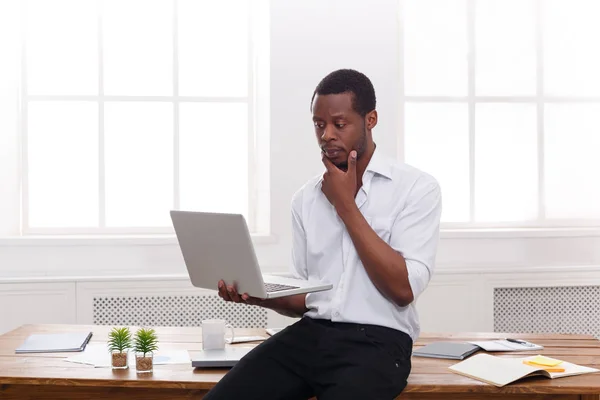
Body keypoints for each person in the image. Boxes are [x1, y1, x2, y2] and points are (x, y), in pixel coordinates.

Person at [205, 69, 442, 400]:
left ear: (370, 120)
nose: (327, 135)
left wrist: (345, 206)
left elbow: (403, 289)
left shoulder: (416, 188)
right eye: (319, 124)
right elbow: (307, 296)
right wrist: (258, 295)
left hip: (378, 343)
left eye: (339, 124)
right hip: (311, 336)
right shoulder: (306, 198)